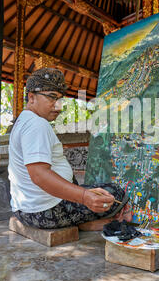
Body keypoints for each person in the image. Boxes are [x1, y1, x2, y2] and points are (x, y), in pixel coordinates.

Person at [8, 68, 131, 231]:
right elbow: (39, 175)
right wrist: (85, 197)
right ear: (31, 97)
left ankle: (83, 223)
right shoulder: (37, 124)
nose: (58, 106)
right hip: (45, 211)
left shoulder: (23, 121)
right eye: (52, 97)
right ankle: (84, 224)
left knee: (95, 189)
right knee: (115, 193)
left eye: (60, 99)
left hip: (25, 210)